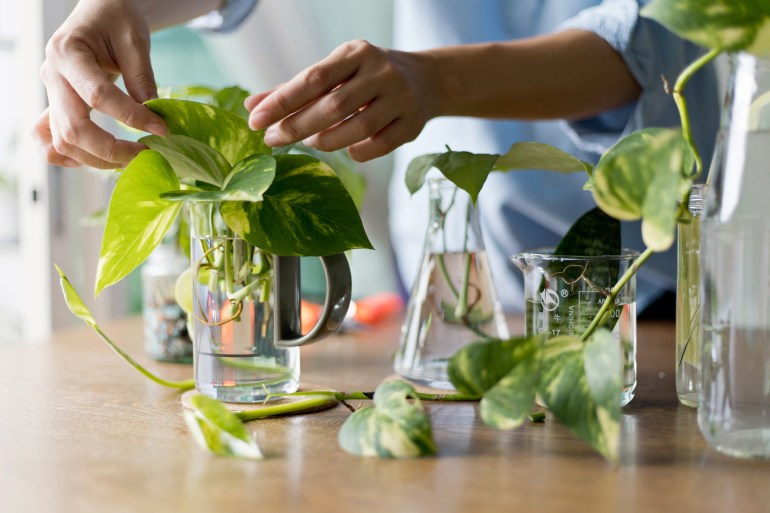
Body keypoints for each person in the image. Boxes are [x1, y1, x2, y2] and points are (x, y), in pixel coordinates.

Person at [34, 0, 720, 313]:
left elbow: (656, 38)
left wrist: (435, 79)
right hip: (449, 284)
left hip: (633, 292)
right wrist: (117, 7)